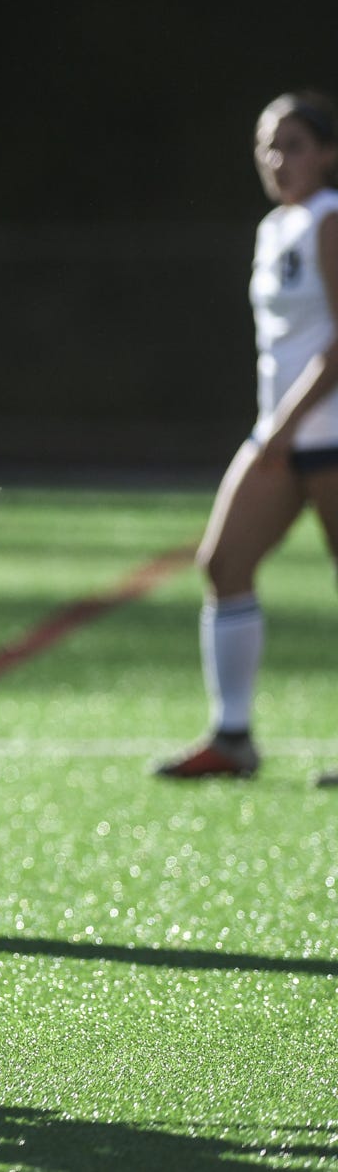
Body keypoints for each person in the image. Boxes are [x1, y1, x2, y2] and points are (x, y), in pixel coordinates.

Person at [158, 91, 338, 787]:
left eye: (294, 144)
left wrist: (286, 426)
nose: (278, 158)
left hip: (322, 431)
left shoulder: (328, 218)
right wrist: (277, 428)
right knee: (223, 563)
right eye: (268, 145)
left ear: (326, 153)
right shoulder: (274, 227)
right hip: (281, 432)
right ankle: (232, 738)